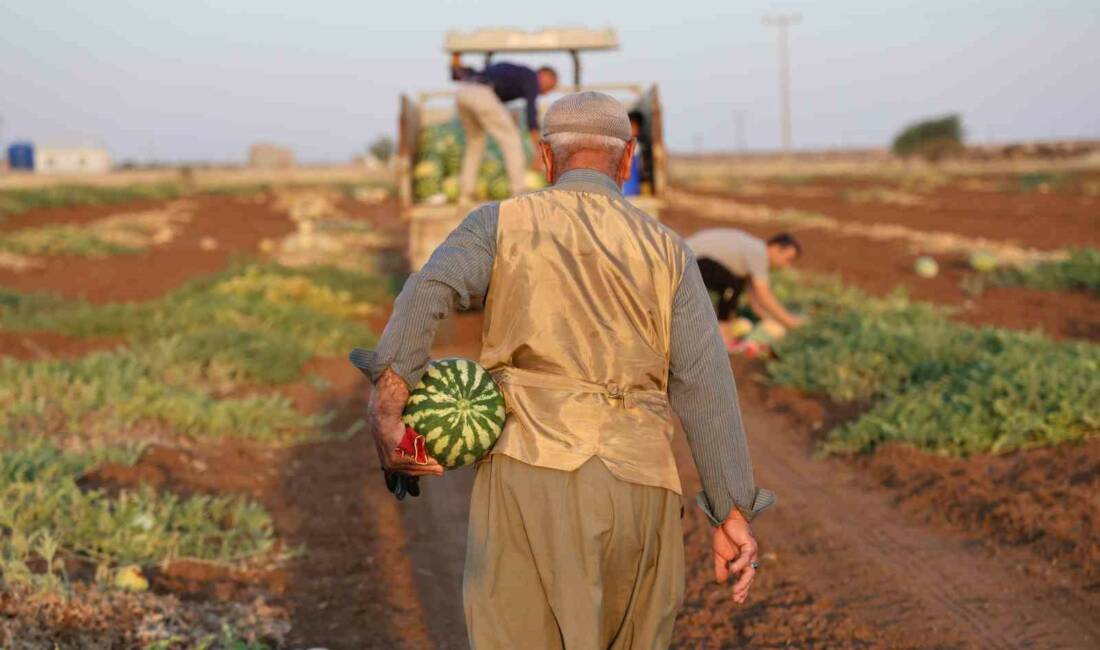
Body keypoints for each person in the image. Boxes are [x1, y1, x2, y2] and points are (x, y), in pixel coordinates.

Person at [353, 92, 773, 649]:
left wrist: (389, 403)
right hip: (642, 487)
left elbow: (428, 289)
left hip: (531, 469)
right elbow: (705, 385)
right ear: (627, 162)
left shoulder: (500, 223)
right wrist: (732, 511)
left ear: (544, 157)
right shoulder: (670, 250)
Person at [454, 61, 558, 201]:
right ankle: (519, 190)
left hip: (463, 91)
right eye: (550, 86)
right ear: (544, 76)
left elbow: (495, 97)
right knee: (512, 139)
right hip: (481, 93)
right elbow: (531, 114)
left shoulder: (517, 73)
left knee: (475, 143)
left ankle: (466, 193)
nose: (547, 92)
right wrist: (538, 151)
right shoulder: (532, 77)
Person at [686, 229, 804, 330]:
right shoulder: (759, 253)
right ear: (776, 248)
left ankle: (723, 329)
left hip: (693, 259)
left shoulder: (754, 251)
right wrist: (790, 321)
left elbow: (754, 299)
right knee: (731, 285)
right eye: (787, 259)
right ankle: (723, 333)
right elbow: (764, 295)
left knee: (737, 283)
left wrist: (768, 319)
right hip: (690, 260)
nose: (785, 266)